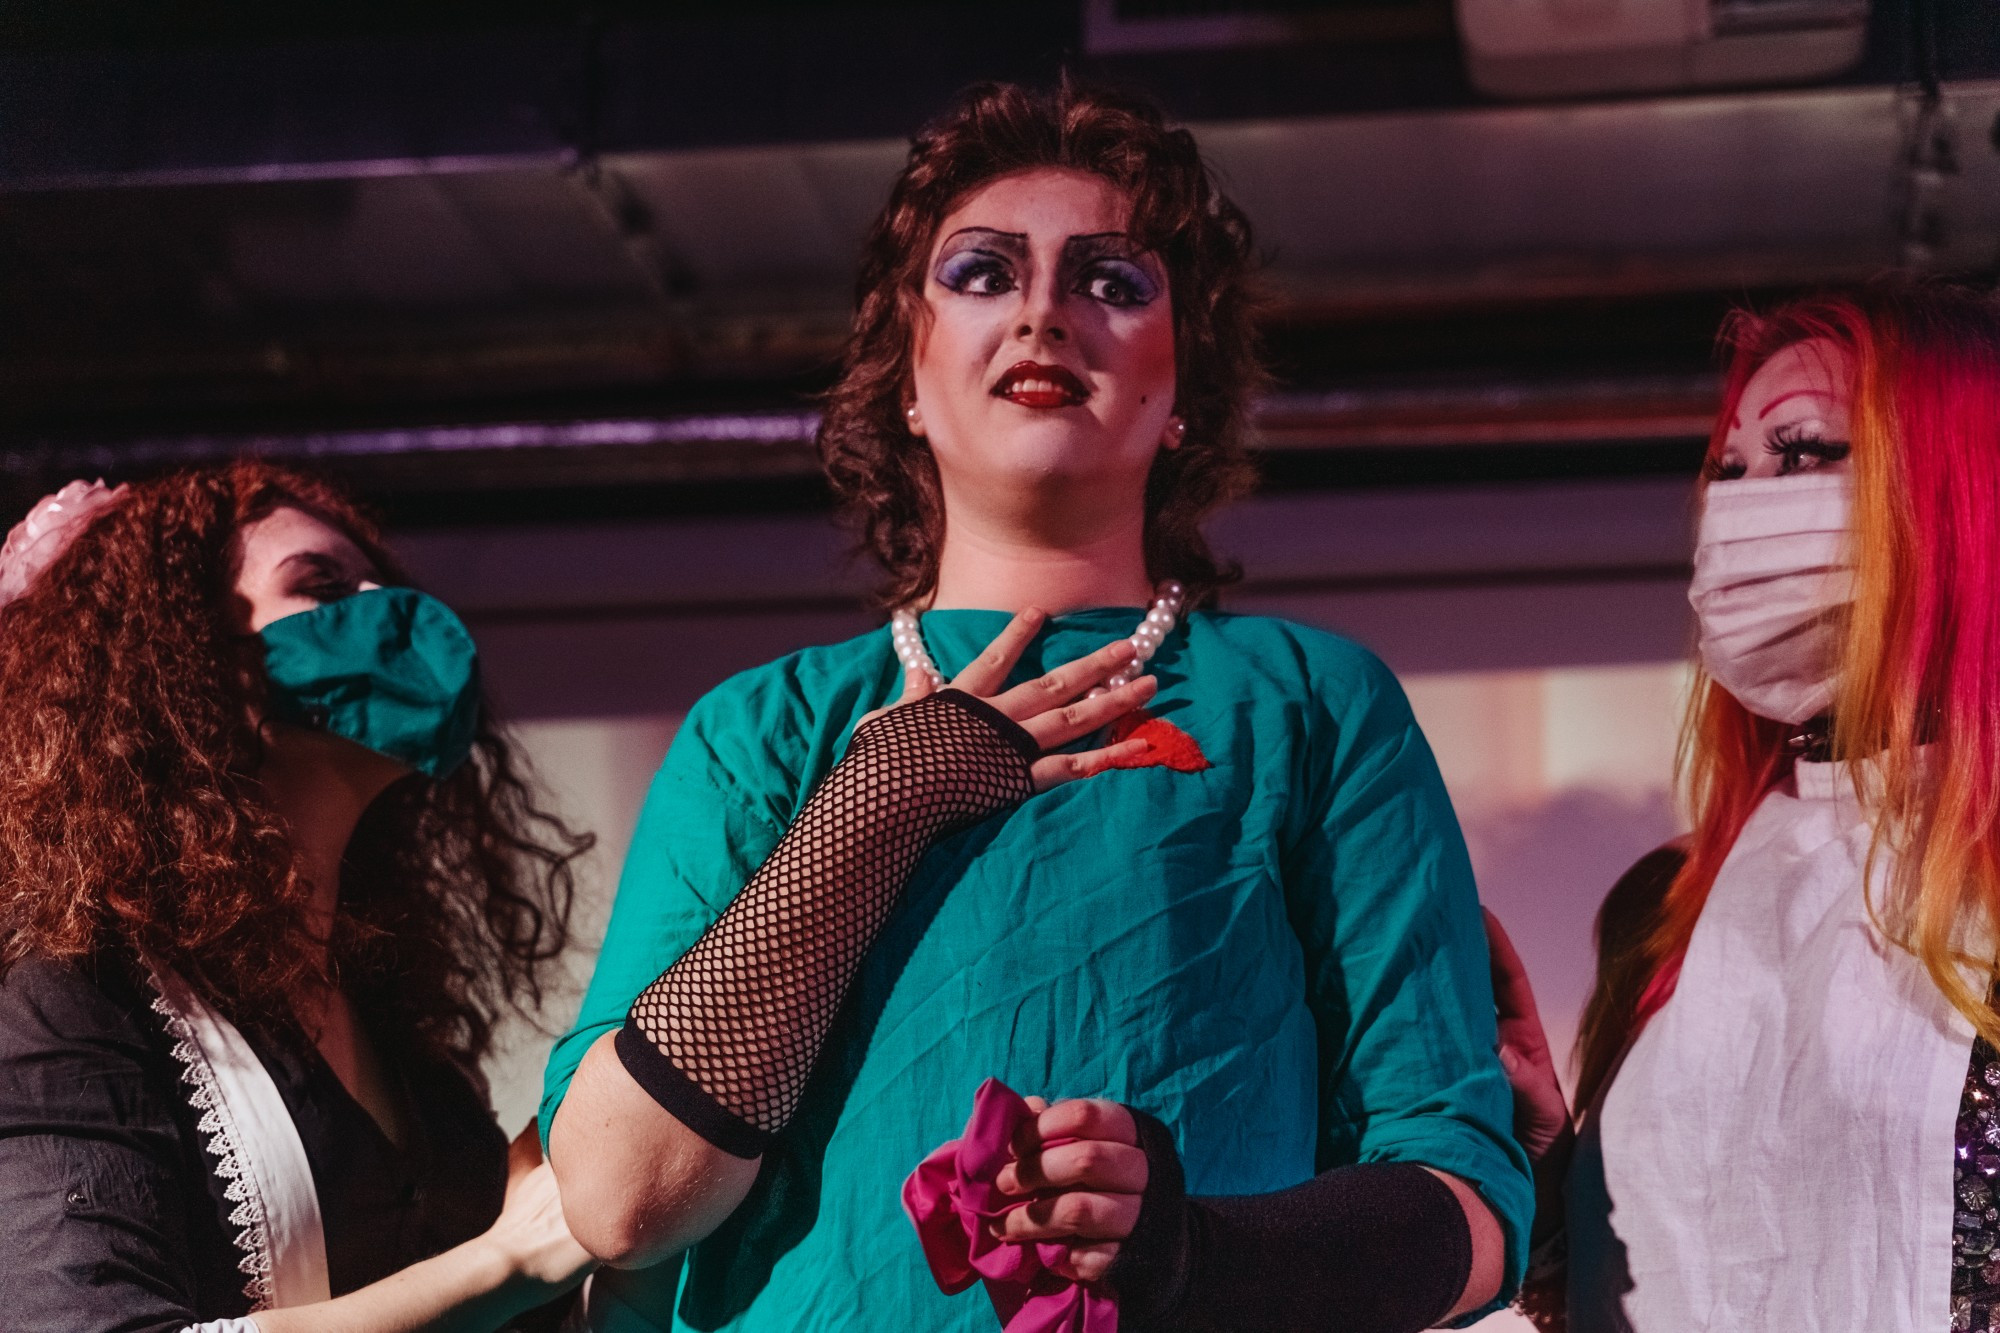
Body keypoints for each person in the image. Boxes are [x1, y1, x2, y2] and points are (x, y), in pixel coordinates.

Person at [540, 79, 1530, 1333]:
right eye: (981, 274)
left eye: (1113, 282)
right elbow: (622, 1200)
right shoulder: (764, 731)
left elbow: (1467, 1202)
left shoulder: (1311, 704)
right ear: (907, 377)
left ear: (1182, 399)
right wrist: (877, 800)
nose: (1046, 313)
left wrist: (1193, 1253)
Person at [1492, 283, 2000, 1332]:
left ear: (1953, 487)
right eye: (1726, 470)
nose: (1740, 503)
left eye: (1803, 453)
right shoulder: (1667, 905)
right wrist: (1549, 1172)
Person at [0, 463, 598, 1331]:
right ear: (187, 656)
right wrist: (502, 1262)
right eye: (320, 586)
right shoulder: (64, 998)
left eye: (378, 583)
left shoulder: (404, 1040)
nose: (386, 611)